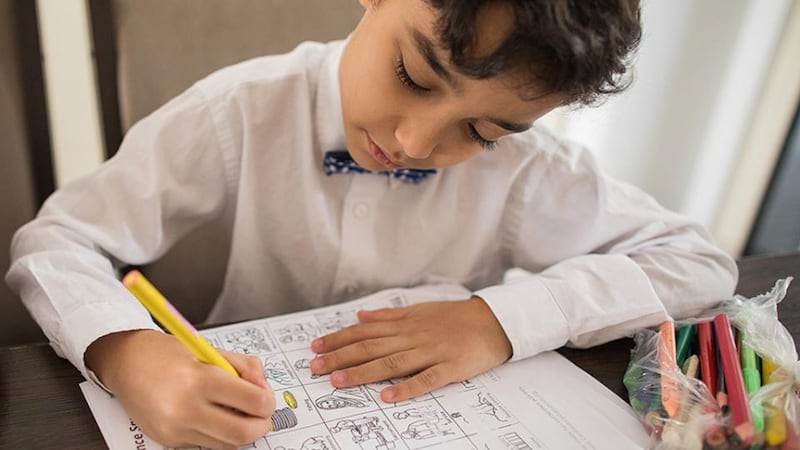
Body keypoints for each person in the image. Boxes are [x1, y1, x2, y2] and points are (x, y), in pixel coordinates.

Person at [6, 0, 738, 448]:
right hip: (243, 402)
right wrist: (125, 351)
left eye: (483, 130)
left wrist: (498, 320)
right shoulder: (238, 110)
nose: (417, 143)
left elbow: (699, 263)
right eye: (415, 77)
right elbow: (58, 241)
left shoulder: (529, 170)